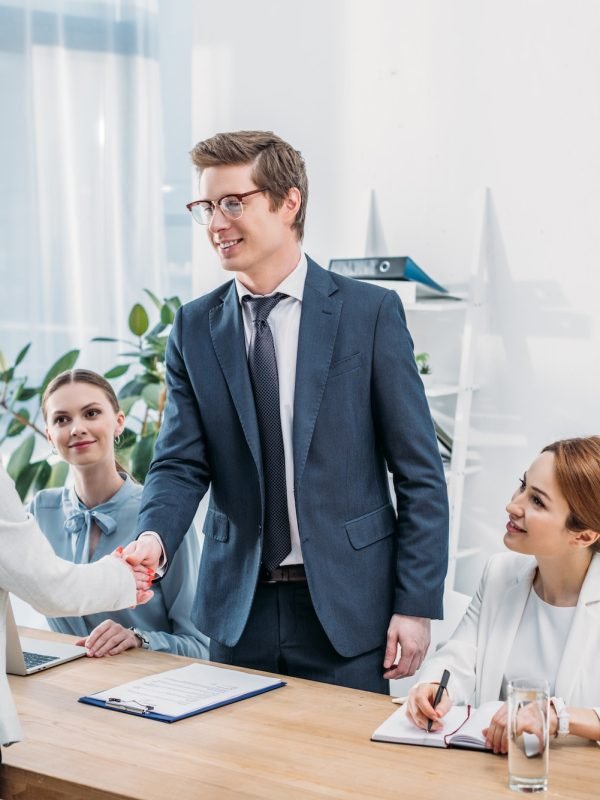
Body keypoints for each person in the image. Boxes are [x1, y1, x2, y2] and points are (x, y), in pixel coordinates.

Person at [124, 130, 449, 693]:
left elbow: (419, 473)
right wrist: (154, 535)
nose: (215, 224)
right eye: (205, 206)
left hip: (347, 608)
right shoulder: (194, 327)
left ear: (289, 201)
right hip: (236, 609)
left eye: (232, 203)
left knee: (340, 779)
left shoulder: (368, 314)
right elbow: (179, 464)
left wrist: (415, 606)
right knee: (238, 778)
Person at [407, 436, 600, 750]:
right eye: (522, 486)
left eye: (537, 501)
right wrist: (433, 686)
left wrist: (556, 716)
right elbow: (458, 658)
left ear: (584, 536)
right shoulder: (500, 574)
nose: (513, 505)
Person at [29, 369, 208, 659]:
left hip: (150, 690)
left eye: (91, 413)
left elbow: (201, 646)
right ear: (50, 435)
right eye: (62, 419)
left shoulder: (162, 519)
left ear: (118, 422)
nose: (76, 428)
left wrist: (138, 639)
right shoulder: (39, 512)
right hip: (64, 688)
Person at [0, 462, 152, 747]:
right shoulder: (43, 506)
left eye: (92, 413)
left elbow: (196, 638)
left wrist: (141, 637)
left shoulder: (153, 519)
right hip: (74, 704)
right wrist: (126, 577)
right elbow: (47, 587)